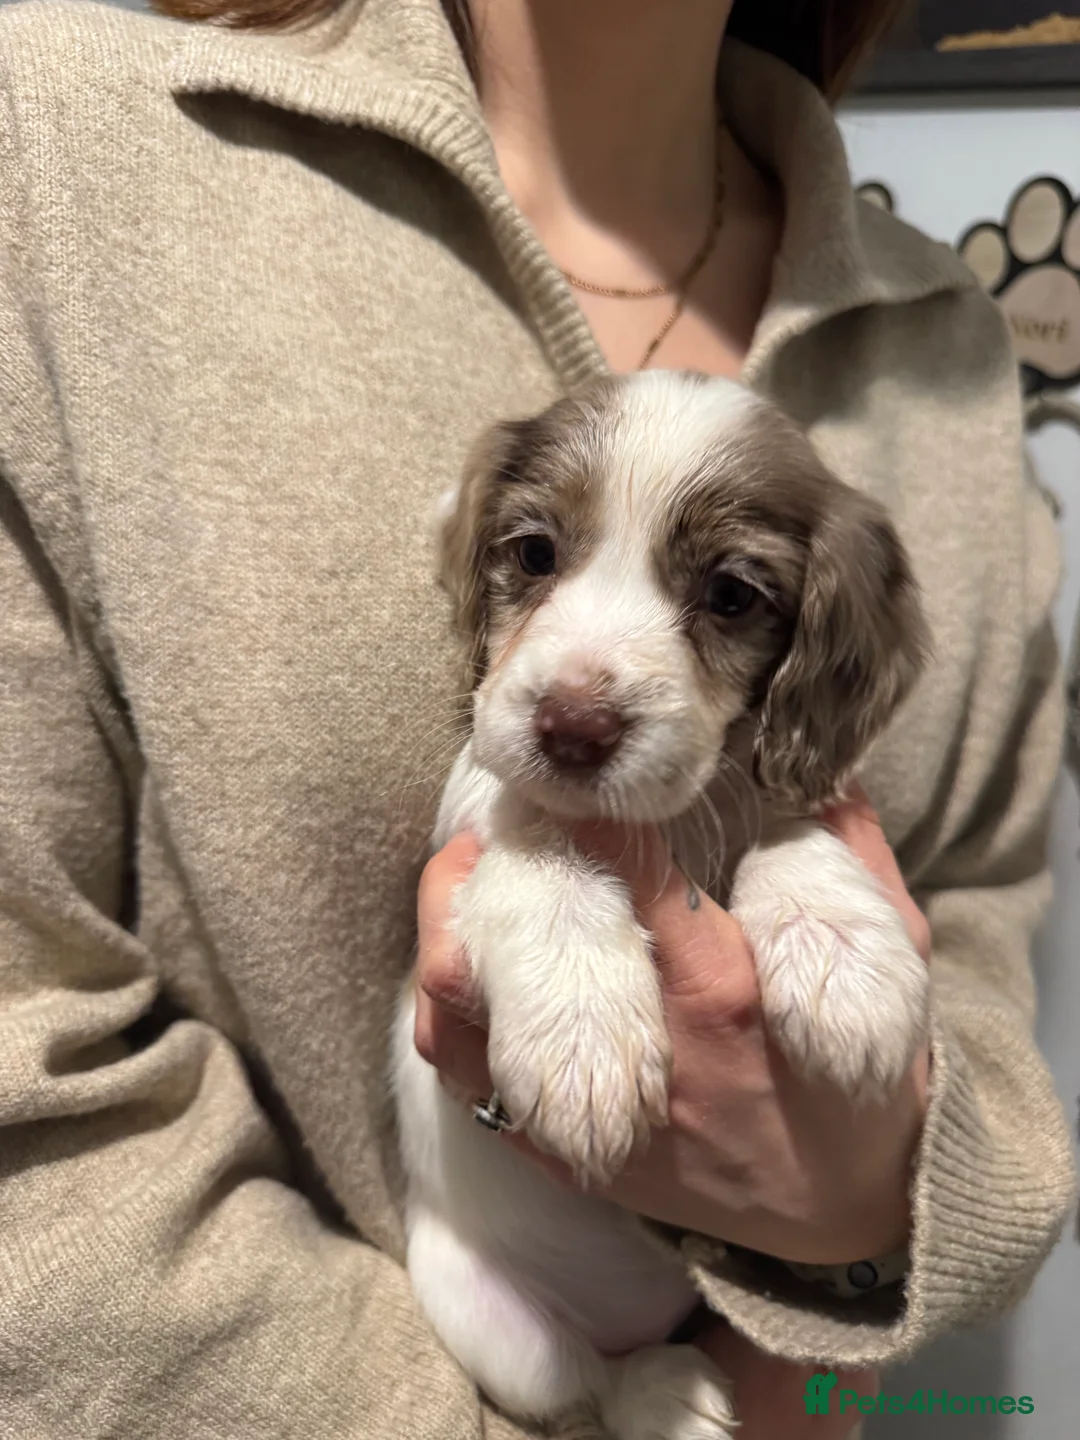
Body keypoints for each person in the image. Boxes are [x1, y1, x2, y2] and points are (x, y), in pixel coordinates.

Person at [0, 1, 1074, 1437]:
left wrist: (884, 1201)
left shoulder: (944, 334)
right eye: (536, 559)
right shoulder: (57, 136)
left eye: (730, 597)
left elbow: (975, 925)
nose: (581, 687)